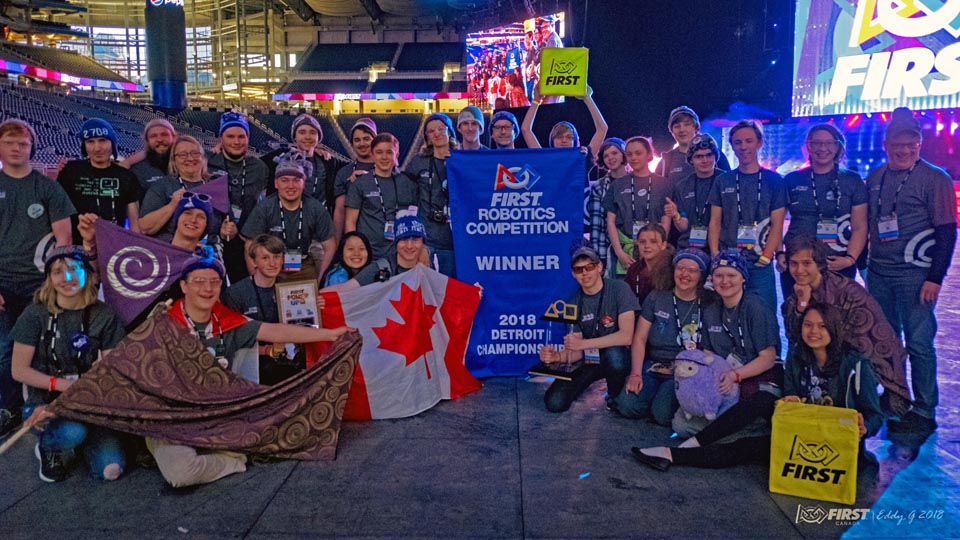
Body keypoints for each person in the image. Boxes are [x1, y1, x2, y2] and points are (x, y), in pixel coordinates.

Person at [144, 250, 351, 488]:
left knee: (287, 432)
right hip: (172, 419)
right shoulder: (163, 323)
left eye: (214, 282)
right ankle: (236, 460)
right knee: (182, 473)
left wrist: (329, 334)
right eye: (199, 281)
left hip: (218, 415)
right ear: (184, 286)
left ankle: (231, 452)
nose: (207, 288)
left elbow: (276, 331)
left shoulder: (228, 322)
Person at [632, 302, 882, 471]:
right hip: (802, 428)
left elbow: (874, 416)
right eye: (808, 325)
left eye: (822, 326)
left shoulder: (855, 364)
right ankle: (683, 448)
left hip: (834, 444)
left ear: (834, 329)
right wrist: (790, 399)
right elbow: (792, 392)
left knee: (747, 448)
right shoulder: (797, 356)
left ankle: (676, 455)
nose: (814, 331)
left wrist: (864, 427)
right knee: (763, 400)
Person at [865, 107, 957, 434]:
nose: (904, 150)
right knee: (886, 340)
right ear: (886, 144)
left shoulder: (935, 179)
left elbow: (947, 231)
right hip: (879, 273)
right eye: (897, 144)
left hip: (915, 277)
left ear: (919, 143)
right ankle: (894, 396)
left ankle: (924, 407)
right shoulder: (875, 177)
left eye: (911, 144)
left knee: (919, 342)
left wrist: (935, 278)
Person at [11, 246, 127, 482]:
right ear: (49, 279)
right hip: (45, 403)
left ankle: (85, 443)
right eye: (57, 272)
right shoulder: (34, 314)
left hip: (90, 403)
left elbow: (111, 370)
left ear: (88, 273)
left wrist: (86, 392)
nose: (66, 278)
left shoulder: (104, 315)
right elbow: (18, 370)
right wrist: (61, 385)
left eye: (74, 269)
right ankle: (49, 447)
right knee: (73, 432)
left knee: (110, 470)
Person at [0, 119, 76, 437]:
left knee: (44, 345)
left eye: (23, 144)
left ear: (31, 147)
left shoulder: (46, 187)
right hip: (3, 282)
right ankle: (10, 407)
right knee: (5, 349)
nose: (18, 148)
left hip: (37, 283)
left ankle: (45, 405)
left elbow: (64, 238)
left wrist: (53, 281)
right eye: (10, 143)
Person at [781, 235, 910, 414]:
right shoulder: (799, 292)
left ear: (819, 264)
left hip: (862, 356)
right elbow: (794, 336)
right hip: (830, 352)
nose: (799, 270)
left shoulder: (843, 291)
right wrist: (802, 302)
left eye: (806, 263)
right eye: (794, 264)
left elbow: (839, 336)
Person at [671, 250, 782, 446]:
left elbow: (768, 357)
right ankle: (732, 434)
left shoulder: (755, 307)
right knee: (679, 424)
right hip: (722, 381)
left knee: (753, 407)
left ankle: (732, 434)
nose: (725, 281)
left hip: (753, 382)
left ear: (743, 278)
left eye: (731, 275)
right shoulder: (712, 310)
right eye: (719, 275)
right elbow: (708, 353)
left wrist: (735, 376)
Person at [616, 249, 713, 425]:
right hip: (655, 364)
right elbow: (640, 338)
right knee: (626, 405)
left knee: (662, 414)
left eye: (692, 270)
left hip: (686, 369)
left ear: (702, 275)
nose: (685, 274)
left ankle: (660, 403)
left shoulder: (709, 302)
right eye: (680, 268)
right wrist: (636, 374)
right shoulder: (657, 296)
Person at [537, 245, 639, 413]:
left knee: (615, 355)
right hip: (589, 360)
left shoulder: (619, 289)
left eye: (588, 267)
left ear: (599, 267)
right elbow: (576, 350)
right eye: (578, 270)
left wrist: (584, 344)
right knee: (554, 403)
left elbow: (626, 336)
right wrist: (557, 356)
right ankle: (588, 386)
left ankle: (614, 396)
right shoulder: (573, 302)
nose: (584, 273)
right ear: (573, 274)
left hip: (618, 357)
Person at [778, 124, 867, 298]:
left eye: (829, 143)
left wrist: (850, 258)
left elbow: (860, 226)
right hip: (797, 263)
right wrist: (780, 253)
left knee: (836, 319)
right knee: (796, 316)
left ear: (837, 146)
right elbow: (777, 222)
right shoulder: (792, 179)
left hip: (837, 262)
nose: (822, 148)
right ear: (808, 146)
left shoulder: (852, 180)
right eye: (816, 143)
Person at [707, 120, 786, 314]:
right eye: (737, 142)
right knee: (728, 313)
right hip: (729, 259)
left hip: (759, 262)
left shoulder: (773, 181)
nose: (743, 147)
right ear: (732, 146)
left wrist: (767, 256)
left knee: (764, 314)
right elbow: (715, 221)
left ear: (759, 142)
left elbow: (778, 224)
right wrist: (716, 253)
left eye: (748, 141)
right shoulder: (723, 180)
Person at [241, 150, 336, 284]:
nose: (290, 186)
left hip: (303, 264)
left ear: (304, 184)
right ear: (276, 183)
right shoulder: (265, 207)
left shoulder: (315, 207)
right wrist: (258, 280)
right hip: (272, 265)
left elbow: (330, 246)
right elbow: (249, 245)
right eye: (284, 180)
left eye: (296, 180)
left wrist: (322, 279)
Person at [222, 234, 304, 385]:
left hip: (288, 359)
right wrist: (267, 350)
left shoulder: (293, 289)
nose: (272, 263)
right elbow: (231, 341)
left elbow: (306, 324)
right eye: (265, 258)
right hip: (252, 364)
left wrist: (315, 305)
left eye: (277, 257)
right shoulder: (236, 293)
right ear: (253, 262)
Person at [206, 112, 270, 283]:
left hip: (246, 240)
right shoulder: (206, 161)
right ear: (221, 138)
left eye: (241, 136)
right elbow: (173, 151)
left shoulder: (259, 167)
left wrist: (314, 148)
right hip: (215, 241)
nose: (236, 141)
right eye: (230, 136)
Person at [57, 118, 141, 243]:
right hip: (77, 249)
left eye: (103, 140)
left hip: (112, 248)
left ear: (112, 143)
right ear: (84, 146)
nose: (97, 148)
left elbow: (134, 226)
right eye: (90, 141)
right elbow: (57, 212)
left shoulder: (127, 177)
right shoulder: (70, 171)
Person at [139, 135, 229, 244]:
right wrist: (172, 205)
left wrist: (226, 232)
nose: (190, 158)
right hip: (172, 253)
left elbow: (228, 228)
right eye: (182, 154)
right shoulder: (163, 186)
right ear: (174, 161)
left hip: (209, 254)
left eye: (195, 153)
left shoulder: (217, 185)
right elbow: (144, 227)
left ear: (203, 158)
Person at [604, 137, 672, 277]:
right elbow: (610, 222)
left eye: (638, 153)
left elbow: (666, 220)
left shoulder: (664, 184)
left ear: (649, 155)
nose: (633, 158)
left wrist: (659, 249)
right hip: (627, 252)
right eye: (629, 154)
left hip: (654, 250)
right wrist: (619, 252)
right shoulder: (618, 185)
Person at [345, 133, 418, 260]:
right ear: (372, 156)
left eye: (389, 152)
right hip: (369, 255)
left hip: (401, 254)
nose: (384, 157)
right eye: (379, 152)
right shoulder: (360, 183)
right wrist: (355, 251)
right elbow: (350, 223)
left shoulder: (408, 183)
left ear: (397, 155)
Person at [404, 113, 457, 277]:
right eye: (431, 131)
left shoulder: (462, 160)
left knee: (451, 288)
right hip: (428, 238)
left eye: (441, 128)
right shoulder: (419, 161)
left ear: (449, 132)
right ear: (427, 137)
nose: (437, 133)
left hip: (454, 239)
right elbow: (399, 185)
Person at [262, 113, 346, 215]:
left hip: (319, 221)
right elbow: (251, 163)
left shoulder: (328, 161)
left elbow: (352, 167)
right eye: (302, 132)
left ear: (318, 138)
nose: (307, 137)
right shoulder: (280, 156)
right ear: (295, 137)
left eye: (312, 132)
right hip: (284, 221)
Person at [324, 215, 430, 291]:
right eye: (404, 239)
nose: (409, 245)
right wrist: (317, 298)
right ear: (396, 242)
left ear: (422, 243)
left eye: (415, 239)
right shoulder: (380, 267)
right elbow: (345, 288)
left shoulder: (432, 264)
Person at [521, 85, 608, 159]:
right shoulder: (545, 158)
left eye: (569, 137)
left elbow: (602, 129)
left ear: (575, 141)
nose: (564, 140)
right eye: (559, 137)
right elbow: (525, 129)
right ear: (552, 140)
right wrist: (536, 100)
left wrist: (587, 98)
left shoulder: (583, 158)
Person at [672, 134, 721, 251]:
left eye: (709, 155)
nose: (705, 160)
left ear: (715, 156)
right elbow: (683, 227)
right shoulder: (682, 186)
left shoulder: (726, 181)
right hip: (688, 247)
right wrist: (675, 216)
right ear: (691, 160)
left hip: (720, 247)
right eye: (698, 156)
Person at [657, 106, 731, 184]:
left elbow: (729, 185)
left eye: (687, 124)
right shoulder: (666, 161)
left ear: (696, 127)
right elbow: (658, 190)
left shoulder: (714, 154)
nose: (682, 130)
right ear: (672, 131)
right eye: (677, 126)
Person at [333, 118, 377, 241]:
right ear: (352, 144)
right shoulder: (344, 173)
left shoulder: (387, 169)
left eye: (366, 139)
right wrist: (338, 241)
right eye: (357, 140)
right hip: (355, 237)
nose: (362, 144)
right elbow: (340, 211)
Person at [588, 138, 628, 272]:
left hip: (638, 245)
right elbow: (596, 225)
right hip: (609, 249)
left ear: (623, 154)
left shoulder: (638, 180)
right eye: (606, 155)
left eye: (614, 153)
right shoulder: (598, 187)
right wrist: (597, 258)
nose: (610, 158)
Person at [123, 118, 177, 198]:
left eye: (164, 134)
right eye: (153, 136)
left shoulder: (187, 164)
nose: (159, 140)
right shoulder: (137, 170)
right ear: (147, 141)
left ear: (174, 137)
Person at [624, 224, 674, 304]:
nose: (647, 246)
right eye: (642, 242)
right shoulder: (633, 269)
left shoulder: (672, 269)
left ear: (663, 245)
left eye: (653, 242)